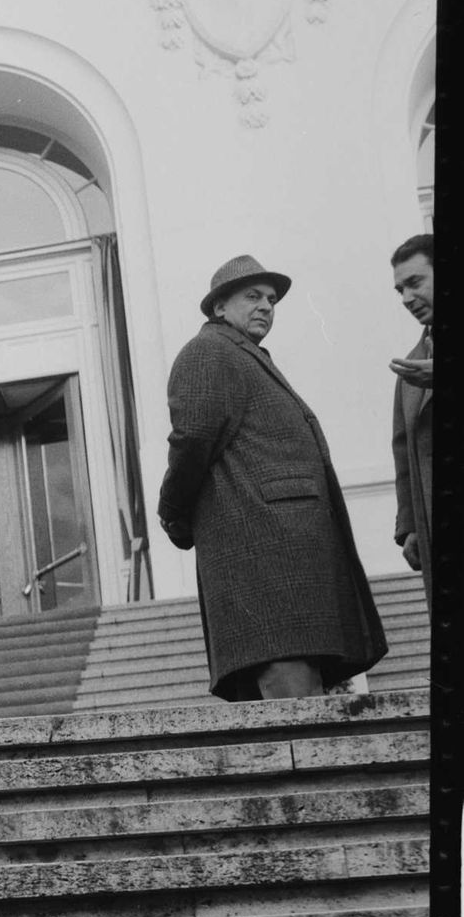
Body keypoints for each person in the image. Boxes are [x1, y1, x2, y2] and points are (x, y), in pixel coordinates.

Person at [157, 254, 387, 701]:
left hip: (285, 555)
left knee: (299, 689)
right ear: (219, 307)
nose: (266, 306)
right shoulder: (209, 351)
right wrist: (173, 513)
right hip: (265, 553)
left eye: (272, 299)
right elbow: (193, 438)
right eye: (253, 296)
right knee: (290, 696)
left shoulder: (241, 355)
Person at [388, 233, 434, 611]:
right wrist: (410, 528)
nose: (405, 299)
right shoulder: (412, 365)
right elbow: (403, 452)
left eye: (415, 283)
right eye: (400, 289)